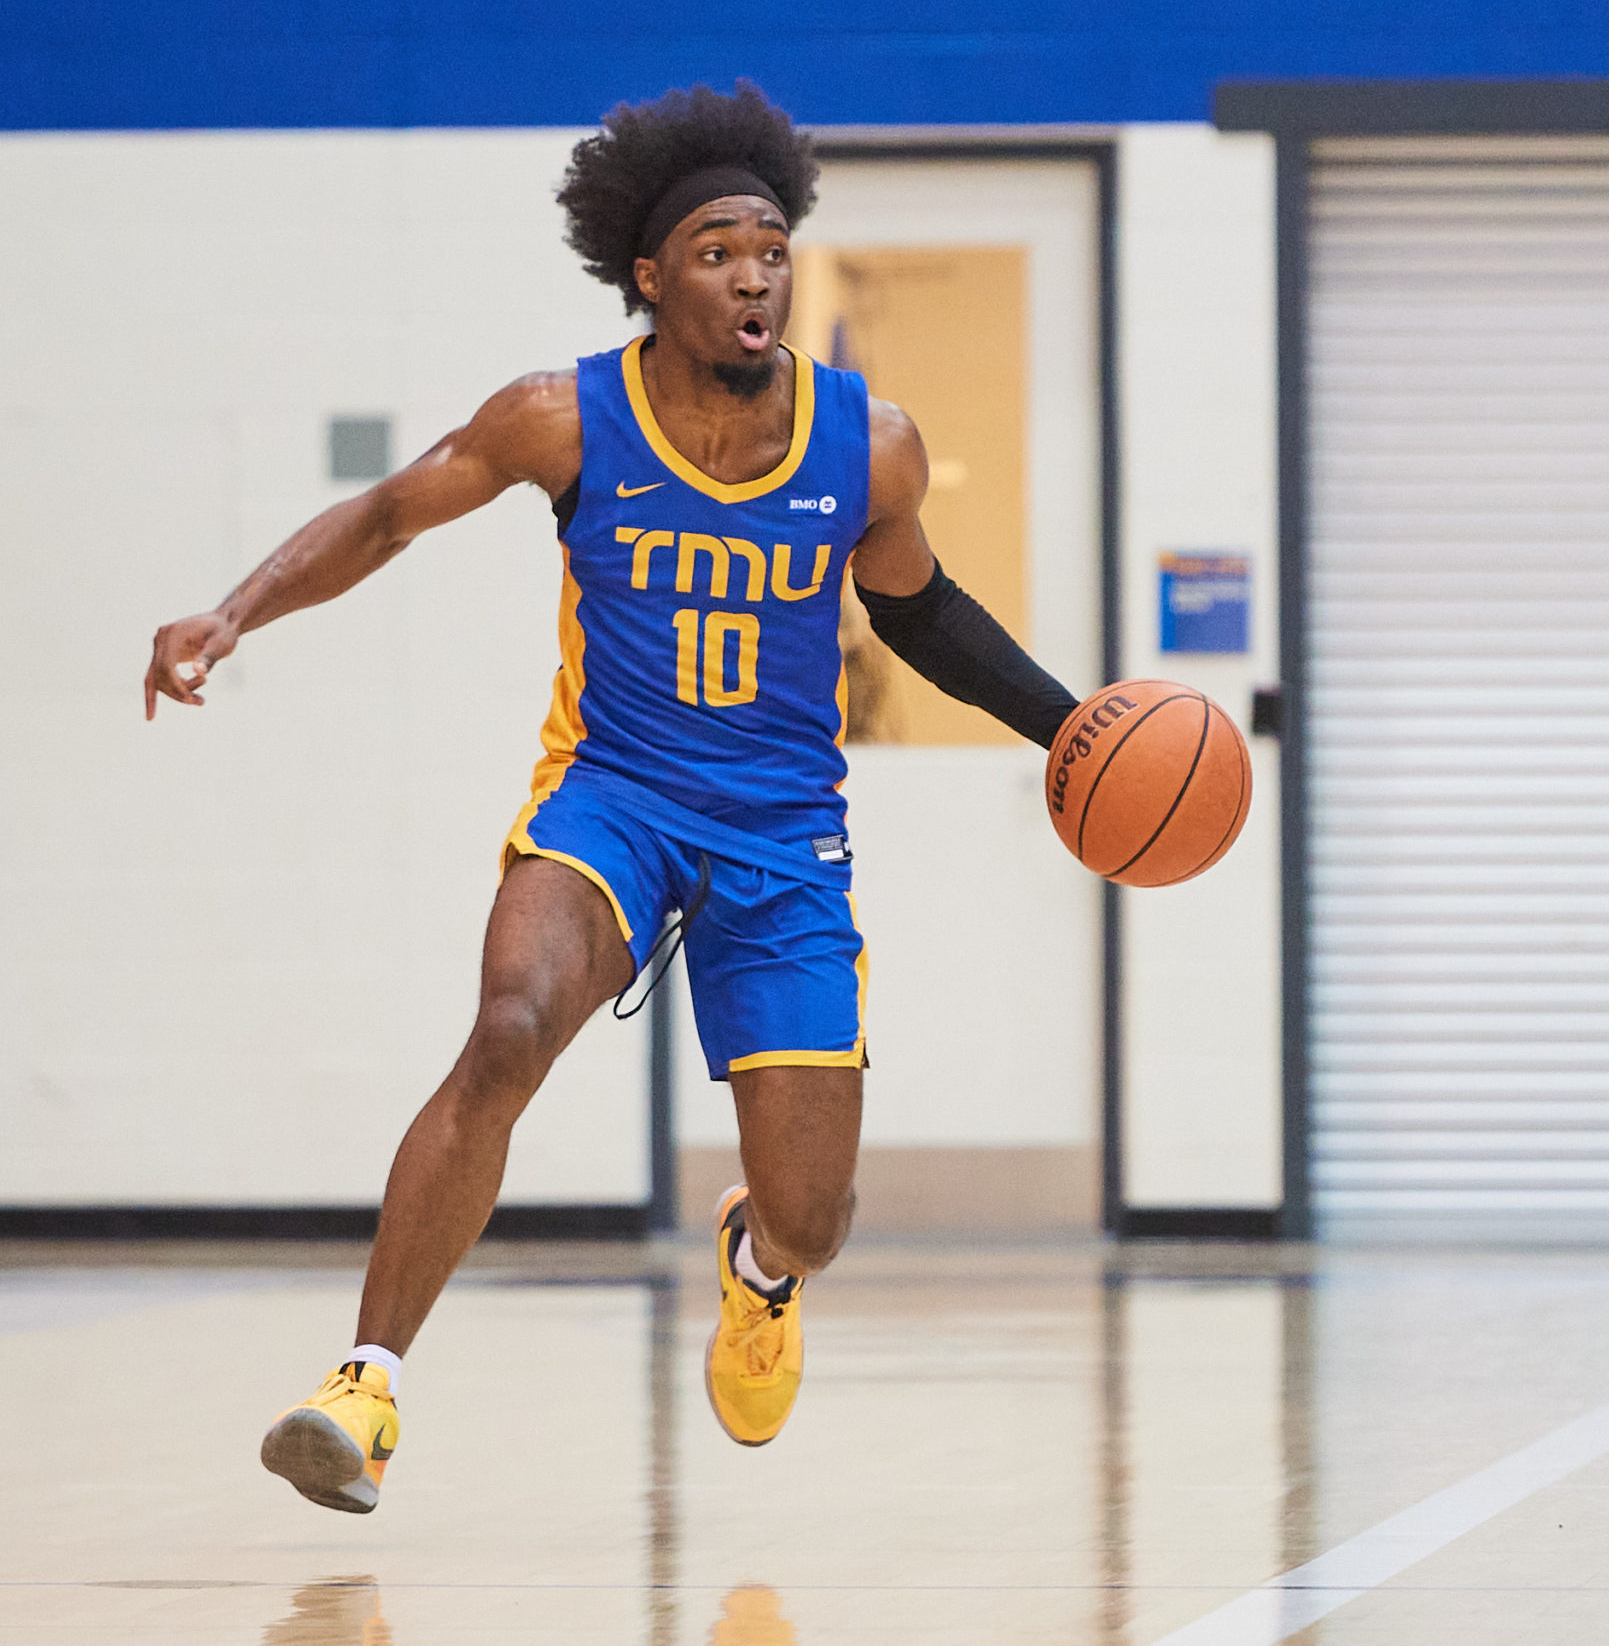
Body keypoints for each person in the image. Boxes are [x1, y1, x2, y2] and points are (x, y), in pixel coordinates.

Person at [143, 81, 1080, 1513]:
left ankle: (760, 1270)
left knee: (816, 1217)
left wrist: (1072, 731)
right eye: (717, 251)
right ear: (652, 277)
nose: (754, 273)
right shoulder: (561, 419)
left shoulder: (865, 442)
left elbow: (926, 617)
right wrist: (229, 614)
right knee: (509, 1026)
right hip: (615, 797)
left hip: (781, 836)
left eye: (771, 245)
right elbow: (392, 513)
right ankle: (365, 1386)